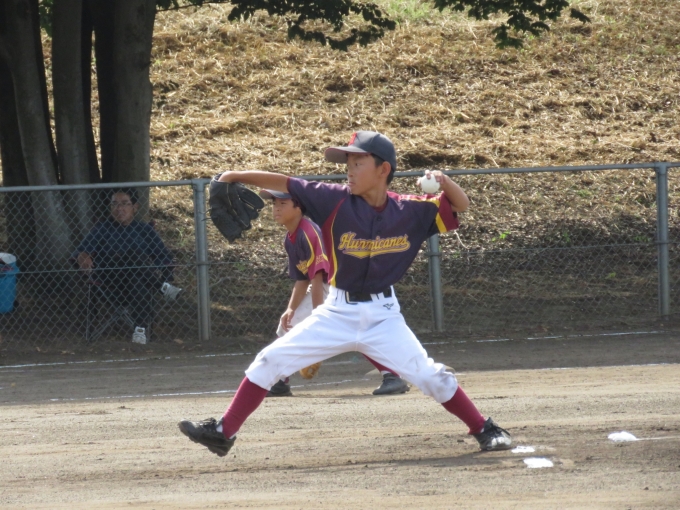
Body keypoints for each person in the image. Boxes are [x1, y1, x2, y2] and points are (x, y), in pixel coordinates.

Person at [179, 131, 512, 457]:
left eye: (357, 163)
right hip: (337, 312)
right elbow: (287, 182)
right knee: (270, 360)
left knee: (430, 376)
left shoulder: (411, 210)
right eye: (347, 164)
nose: (349, 171)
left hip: (384, 317)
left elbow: (461, 204)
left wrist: (443, 180)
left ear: (383, 169)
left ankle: (484, 428)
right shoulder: (334, 200)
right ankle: (223, 432)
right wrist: (233, 175)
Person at [258, 188, 410, 397]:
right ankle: (280, 382)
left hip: (340, 286)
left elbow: (318, 276)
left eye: (283, 204)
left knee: (358, 332)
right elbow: (302, 279)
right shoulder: (291, 237)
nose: (276, 208)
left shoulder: (309, 232)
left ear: (298, 208)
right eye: (274, 204)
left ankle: (392, 376)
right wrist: (291, 309)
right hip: (327, 286)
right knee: (288, 326)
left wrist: (319, 316)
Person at [73, 188, 181, 344]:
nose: (119, 208)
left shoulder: (144, 230)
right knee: (135, 258)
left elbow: (163, 256)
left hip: (138, 280)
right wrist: (83, 256)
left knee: (137, 276)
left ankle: (139, 331)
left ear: (135, 207)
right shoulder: (102, 229)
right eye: (114, 204)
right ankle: (161, 287)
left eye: (124, 204)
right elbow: (81, 251)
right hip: (109, 280)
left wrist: (163, 272)